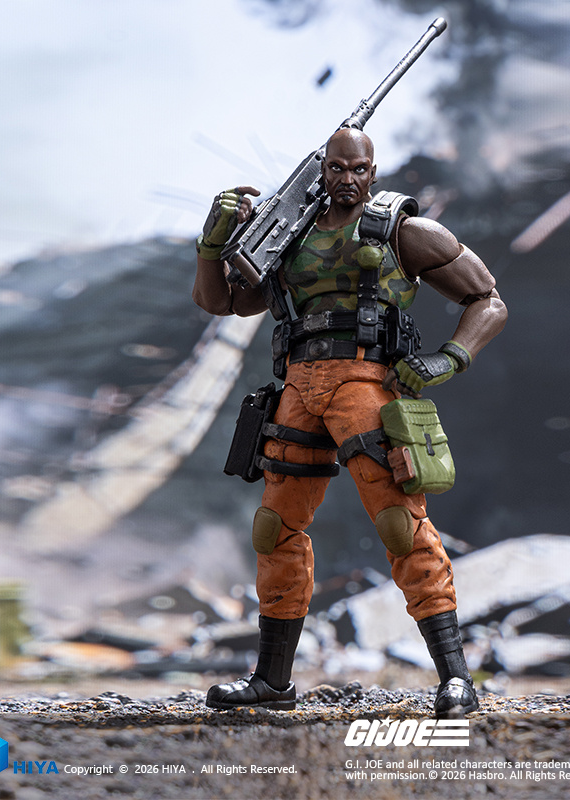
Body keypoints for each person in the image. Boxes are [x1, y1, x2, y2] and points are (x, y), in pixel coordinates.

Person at [193, 128, 507, 718]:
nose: (348, 179)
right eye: (337, 168)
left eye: (358, 168)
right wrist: (212, 245)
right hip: (297, 388)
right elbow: (222, 302)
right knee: (275, 530)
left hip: (365, 384)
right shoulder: (288, 234)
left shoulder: (403, 230)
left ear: (373, 170)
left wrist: (449, 358)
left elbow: (488, 300)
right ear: (322, 171)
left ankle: (456, 677)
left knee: (399, 522)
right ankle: (273, 680)